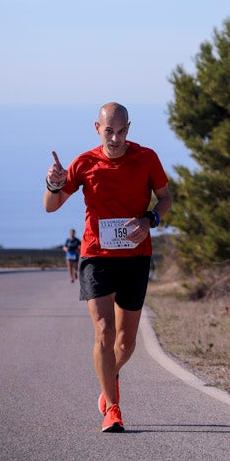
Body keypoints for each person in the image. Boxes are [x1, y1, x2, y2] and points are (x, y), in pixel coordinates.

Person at [43, 102, 171, 433]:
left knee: (126, 343)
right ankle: (112, 408)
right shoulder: (84, 163)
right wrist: (53, 183)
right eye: (108, 130)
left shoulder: (147, 158)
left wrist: (150, 219)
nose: (115, 138)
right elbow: (51, 206)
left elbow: (166, 198)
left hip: (136, 256)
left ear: (129, 129)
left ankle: (109, 377)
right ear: (97, 128)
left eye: (121, 131)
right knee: (104, 330)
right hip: (96, 255)